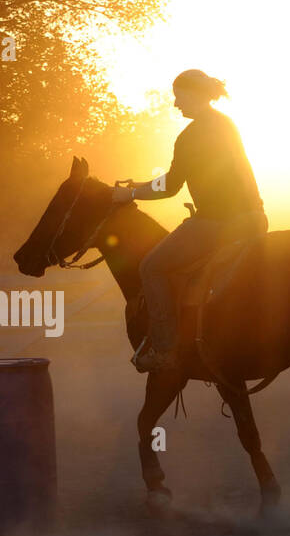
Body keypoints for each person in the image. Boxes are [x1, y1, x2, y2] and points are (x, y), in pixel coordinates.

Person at [112, 69, 268, 373]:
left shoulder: (191, 135)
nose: (175, 104)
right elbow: (172, 181)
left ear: (194, 95)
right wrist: (139, 186)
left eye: (179, 97)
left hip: (218, 223)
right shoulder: (226, 124)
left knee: (151, 266)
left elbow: (170, 186)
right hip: (254, 218)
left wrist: (129, 194)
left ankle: (164, 349)